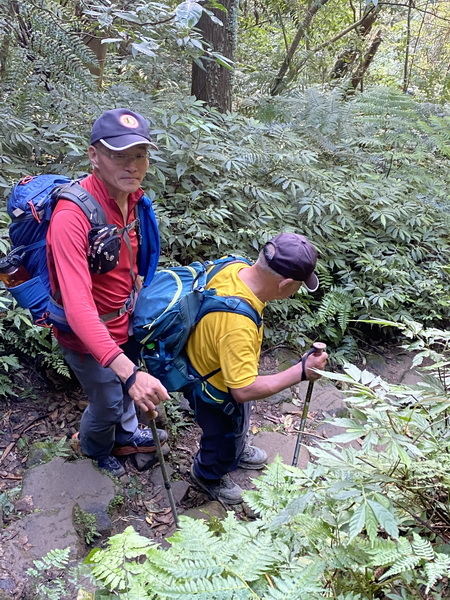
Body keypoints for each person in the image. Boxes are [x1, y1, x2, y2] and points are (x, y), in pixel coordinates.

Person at [46, 108, 169, 477]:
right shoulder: (73, 216)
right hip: (86, 338)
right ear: (94, 156)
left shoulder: (132, 199)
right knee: (106, 401)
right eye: (118, 155)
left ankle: (128, 434)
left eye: (139, 155)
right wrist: (131, 375)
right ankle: (95, 448)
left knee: (122, 391)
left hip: (125, 320)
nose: (132, 165)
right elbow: (79, 306)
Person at [186, 233, 329, 504]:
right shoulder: (237, 324)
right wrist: (301, 371)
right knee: (223, 436)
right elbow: (242, 390)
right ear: (285, 283)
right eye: (298, 285)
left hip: (208, 364)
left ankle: (236, 449)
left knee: (238, 426)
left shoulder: (234, 268)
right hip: (215, 390)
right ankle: (208, 473)